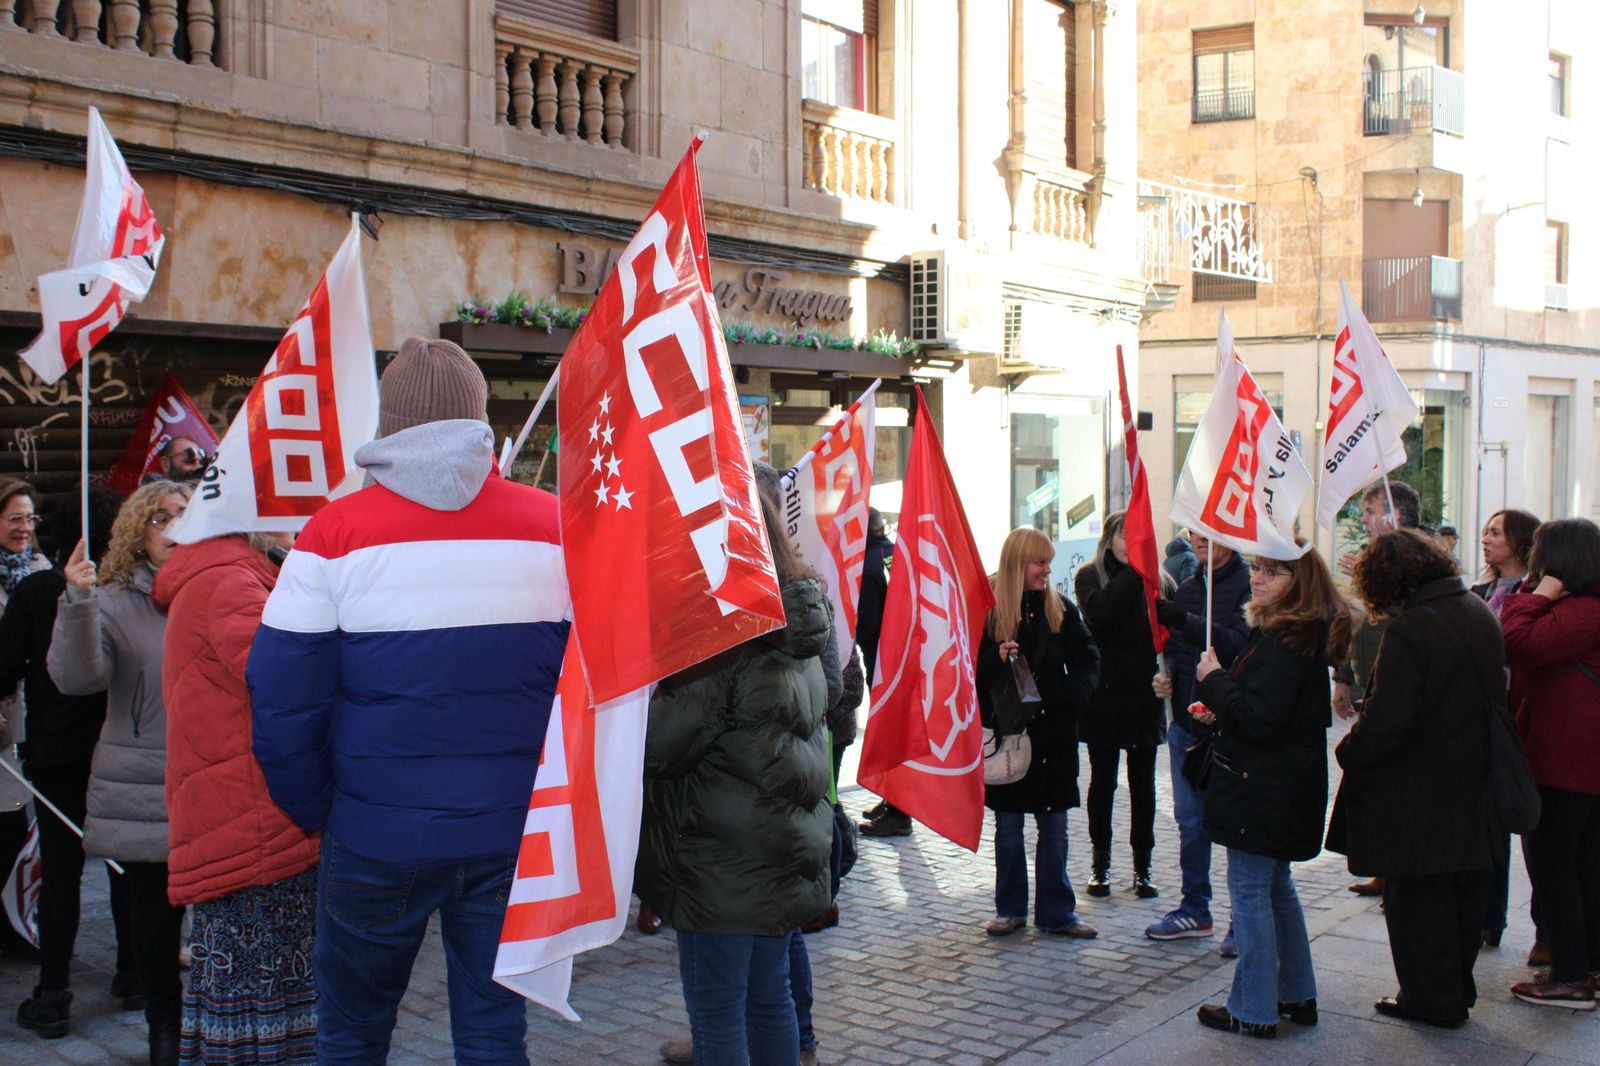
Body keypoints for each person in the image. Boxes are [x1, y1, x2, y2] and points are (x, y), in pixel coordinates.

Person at [249, 338, 569, 1063]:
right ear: (480, 418)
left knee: (352, 1034)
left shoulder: (331, 534)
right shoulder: (553, 526)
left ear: (387, 423)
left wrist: (319, 808)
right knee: (494, 1032)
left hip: (373, 835)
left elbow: (279, 701)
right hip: (509, 832)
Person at [634, 487, 833, 1065]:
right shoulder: (794, 619)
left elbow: (660, 746)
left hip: (721, 865)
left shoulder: (724, 633)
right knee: (769, 1000)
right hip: (777, 853)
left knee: (718, 1016)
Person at [156, 529, 320, 1062]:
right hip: (254, 822)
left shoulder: (228, 570)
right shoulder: (230, 578)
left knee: (249, 999)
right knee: (262, 1004)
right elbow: (287, 676)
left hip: (244, 815)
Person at [1330, 529, 1505, 1027]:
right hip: (1471, 779)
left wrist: (1350, 750)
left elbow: (1389, 720)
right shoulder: (1474, 608)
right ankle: (1453, 990)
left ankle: (1429, 999)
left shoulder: (1411, 628)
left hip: (1420, 790)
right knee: (1460, 897)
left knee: (1418, 901)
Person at [47, 481, 191, 1063]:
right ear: (138, 530)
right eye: (160, 518)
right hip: (143, 779)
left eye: (184, 515)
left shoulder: (220, 586)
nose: (173, 528)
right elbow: (77, 679)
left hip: (216, 772)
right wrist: (78, 603)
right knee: (154, 913)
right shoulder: (111, 599)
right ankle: (165, 1025)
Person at [1192, 542, 1352, 1037]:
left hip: (1259, 791)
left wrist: (1214, 680)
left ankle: (1254, 1007)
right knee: (1275, 890)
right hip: (1274, 787)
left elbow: (1258, 720)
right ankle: (1294, 993)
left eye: (1272, 573)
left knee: (1251, 895)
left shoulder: (1287, 640)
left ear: (1298, 584)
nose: (1257, 578)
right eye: (1258, 569)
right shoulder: (1288, 634)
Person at [2, 484, 132, 1041]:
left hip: (59, 752)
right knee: (128, 867)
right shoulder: (128, 591)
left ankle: (53, 992)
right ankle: (135, 976)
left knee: (62, 874)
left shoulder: (36, 591)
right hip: (118, 747)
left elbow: (3, 666)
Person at [978, 526, 1101, 939]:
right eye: (1039, 561)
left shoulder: (1061, 608)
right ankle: (1010, 909)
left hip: (1054, 737)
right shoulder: (992, 611)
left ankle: (1057, 913)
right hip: (1010, 738)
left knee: (1055, 829)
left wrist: (1070, 696)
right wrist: (996, 657)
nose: (1047, 569)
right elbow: (969, 670)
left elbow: (1088, 659)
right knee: (1009, 830)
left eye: (1049, 561)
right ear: (1018, 563)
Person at [1501, 518, 1600, 1010]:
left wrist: (1538, 594)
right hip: (1575, 759)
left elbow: (1515, 641)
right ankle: (1585, 965)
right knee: (1581, 862)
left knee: (1555, 862)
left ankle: (1572, 976)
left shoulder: (1583, 610)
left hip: (1567, 759)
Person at [1146, 529, 1251, 945]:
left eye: (1211, 530)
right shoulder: (1190, 588)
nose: (1199, 538)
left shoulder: (1249, 588)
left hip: (1231, 729)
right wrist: (1166, 675)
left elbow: (1237, 648)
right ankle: (1195, 908)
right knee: (1191, 823)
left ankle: (1242, 920)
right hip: (1187, 728)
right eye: (1194, 531)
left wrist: (1182, 621)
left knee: (1234, 825)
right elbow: (1179, 650)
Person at [1332, 480, 1423, 899]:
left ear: (1396, 515)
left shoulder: (1421, 561)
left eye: (1371, 512)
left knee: (1396, 791)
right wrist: (1342, 679)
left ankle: (1399, 875)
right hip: (1370, 678)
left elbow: (1405, 620)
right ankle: (1384, 871)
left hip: (1401, 691)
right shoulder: (1370, 562)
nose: (1365, 522)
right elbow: (1356, 623)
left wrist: (1373, 580)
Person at [1074, 511, 1171, 900]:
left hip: (1143, 695)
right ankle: (1101, 864)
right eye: (1122, 535)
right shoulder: (1090, 577)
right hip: (1104, 696)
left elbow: (1171, 637)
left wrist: (1171, 679)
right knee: (1103, 783)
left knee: (1143, 785)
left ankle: (1143, 867)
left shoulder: (1161, 583)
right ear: (1109, 539)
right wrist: (1136, 571)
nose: (1129, 542)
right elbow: (1100, 612)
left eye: (1137, 536)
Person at [1468, 507, 1540, 952]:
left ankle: (1518, 922)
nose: (1487, 539)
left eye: (1496, 532)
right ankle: (1484, 915)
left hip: (1517, 715)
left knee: (1514, 820)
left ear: (1519, 541)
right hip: (1479, 714)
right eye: (1486, 531)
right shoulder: (1479, 591)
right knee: (1483, 822)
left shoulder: (1535, 591)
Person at [858, 507, 914, 839]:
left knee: (890, 735)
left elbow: (866, 625)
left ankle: (899, 812)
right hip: (903, 655)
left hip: (883, 659)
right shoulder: (894, 554)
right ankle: (892, 800)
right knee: (896, 733)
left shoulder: (867, 566)